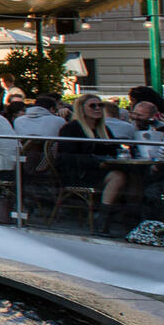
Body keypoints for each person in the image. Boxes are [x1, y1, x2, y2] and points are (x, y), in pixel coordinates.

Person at [57, 95, 129, 231]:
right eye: (92, 106)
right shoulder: (71, 129)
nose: (97, 108)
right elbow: (66, 157)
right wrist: (97, 163)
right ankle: (102, 219)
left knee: (133, 175)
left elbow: (115, 149)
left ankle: (135, 219)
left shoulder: (104, 129)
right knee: (118, 177)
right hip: (79, 174)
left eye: (100, 105)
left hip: (101, 170)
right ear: (81, 109)